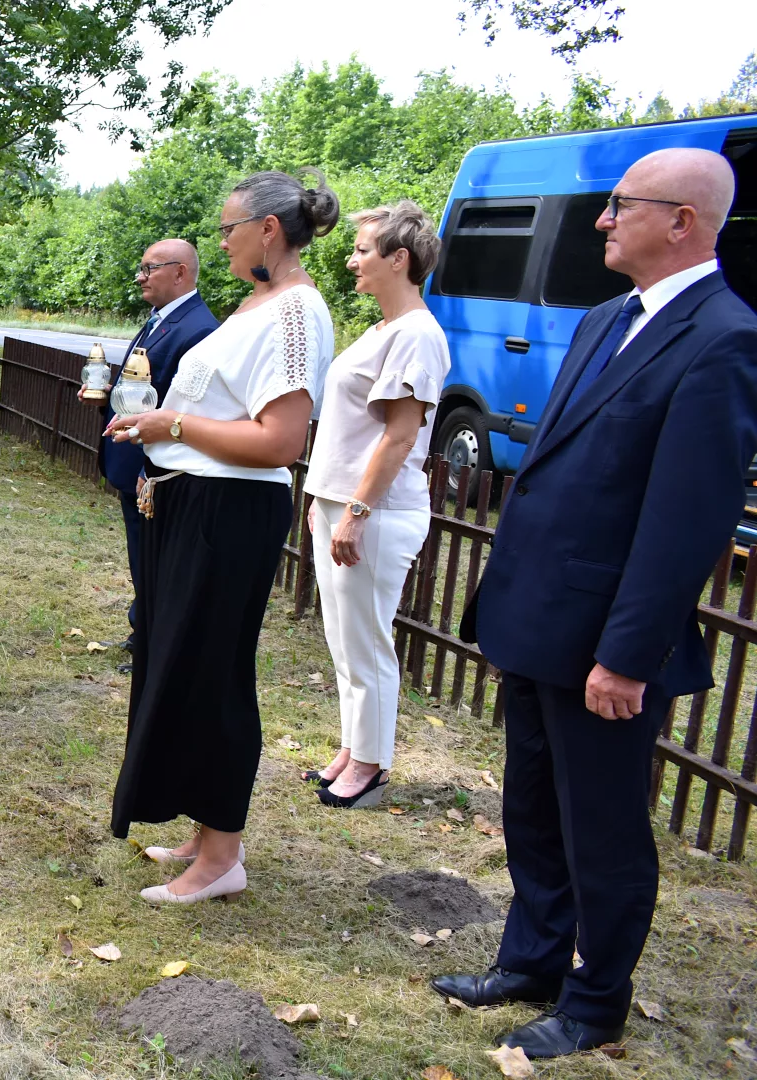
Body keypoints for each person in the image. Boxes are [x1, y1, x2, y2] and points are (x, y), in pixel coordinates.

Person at [440, 148, 757, 1058]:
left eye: (622, 207)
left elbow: (683, 522)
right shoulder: (606, 317)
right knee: (533, 806)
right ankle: (532, 960)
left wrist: (626, 655)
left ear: (683, 222)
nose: (602, 221)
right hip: (542, 619)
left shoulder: (724, 338)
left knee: (603, 830)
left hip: (604, 644)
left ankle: (593, 1000)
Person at [105, 169, 339, 903]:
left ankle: (223, 857)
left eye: (229, 227)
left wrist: (167, 425)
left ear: (268, 229)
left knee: (215, 675)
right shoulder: (258, 303)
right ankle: (206, 831)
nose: (223, 240)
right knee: (181, 665)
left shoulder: (296, 313)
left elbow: (278, 441)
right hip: (193, 503)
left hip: (231, 512)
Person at [300, 202, 450, 808]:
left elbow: (400, 436)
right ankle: (351, 746)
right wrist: (322, 501)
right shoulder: (384, 328)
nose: (351, 258)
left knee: (367, 639)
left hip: (377, 513)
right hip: (341, 504)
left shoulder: (417, 334)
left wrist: (356, 513)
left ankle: (372, 763)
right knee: (344, 638)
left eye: (362, 249)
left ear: (399, 259)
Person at [83, 239, 220, 664]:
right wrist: (106, 396)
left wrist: (147, 464)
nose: (140, 277)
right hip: (136, 461)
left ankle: (153, 648)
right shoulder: (163, 319)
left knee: (157, 561)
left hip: (155, 467)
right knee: (143, 556)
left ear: (180, 273)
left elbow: (182, 408)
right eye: (140, 268)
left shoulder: (197, 328)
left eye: (149, 268)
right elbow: (144, 390)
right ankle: (142, 632)